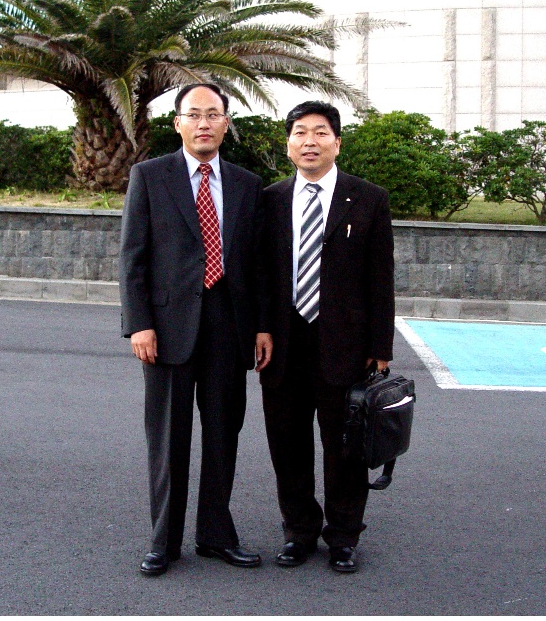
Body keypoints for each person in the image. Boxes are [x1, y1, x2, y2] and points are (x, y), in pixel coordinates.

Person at [119, 83, 273, 577]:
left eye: (213, 114)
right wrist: (139, 323)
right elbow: (132, 257)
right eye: (194, 114)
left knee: (224, 435)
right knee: (168, 438)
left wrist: (262, 326)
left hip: (230, 326)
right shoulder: (150, 176)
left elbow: (258, 263)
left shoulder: (247, 184)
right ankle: (163, 541)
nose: (203, 123)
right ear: (178, 123)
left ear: (226, 123)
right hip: (167, 329)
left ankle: (215, 535)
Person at [257, 100, 395, 573]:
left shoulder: (368, 198)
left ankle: (343, 535)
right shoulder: (270, 199)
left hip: (347, 345)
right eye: (300, 132)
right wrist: (260, 328)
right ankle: (298, 531)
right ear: (288, 144)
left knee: (345, 447)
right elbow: (261, 274)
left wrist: (380, 348)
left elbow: (381, 278)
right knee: (287, 443)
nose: (309, 141)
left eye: (320, 133)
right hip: (282, 342)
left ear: (337, 142)